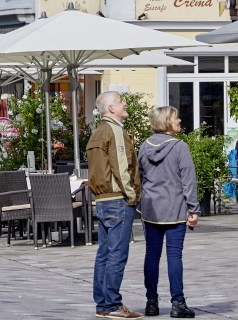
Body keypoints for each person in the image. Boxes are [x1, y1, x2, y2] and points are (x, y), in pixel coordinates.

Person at [138, 107, 198, 319]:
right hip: (175, 208)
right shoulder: (180, 147)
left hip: (151, 209)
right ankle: (178, 302)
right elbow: (188, 180)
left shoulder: (144, 146)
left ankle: (151, 302)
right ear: (166, 122)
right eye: (175, 118)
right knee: (174, 255)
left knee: (151, 255)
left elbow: (139, 176)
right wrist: (194, 208)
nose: (179, 120)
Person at [87, 91, 143, 319]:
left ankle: (102, 304)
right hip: (118, 199)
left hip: (102, 200)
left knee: (104, 253)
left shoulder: (97, 132)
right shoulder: (114, 130)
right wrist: (132, 196)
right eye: (120, 101)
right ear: (111, 108)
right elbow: (121, 167)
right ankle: (112, 304)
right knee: (116, 254)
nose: (125, 103)